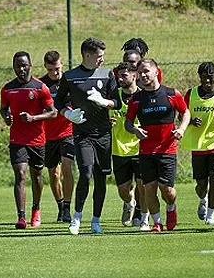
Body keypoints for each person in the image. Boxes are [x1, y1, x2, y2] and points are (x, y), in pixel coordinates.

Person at [55, 37, 121, 235]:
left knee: (101, 178)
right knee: (85, 173)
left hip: (103, 134)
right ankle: (76, 218)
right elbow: (58, 102)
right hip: (82, 134)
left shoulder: (107, 74)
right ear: (87, 55)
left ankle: (96, 220)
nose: (102, 59)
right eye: (99, 56)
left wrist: (104, 102)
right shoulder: (70, 76)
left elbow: (116, 102)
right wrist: (67, 114)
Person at [125, 58, 190, 233]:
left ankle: (171, 207)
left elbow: (185, 112)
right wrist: (135, 130)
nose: (143, 75)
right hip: (146, 150)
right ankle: (157, 222)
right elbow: (128, 123)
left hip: (167, 149)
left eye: (147, 71)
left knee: (167, 190)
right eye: (140, 72)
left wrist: (182, 129)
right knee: (149, 188)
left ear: (156, 71)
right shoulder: (136, 99)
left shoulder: (171, 94)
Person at [0, 51, 57, 229]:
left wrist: (33, 118)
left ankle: (36, 209)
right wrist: (6, 116)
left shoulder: (40, 88)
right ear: (14, 67)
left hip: (37, 139)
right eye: (18, 66)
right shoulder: (8, 88)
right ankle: (21, 217)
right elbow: (3, 108)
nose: (21, 69)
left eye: (24, 65)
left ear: (30, 65)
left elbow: (53, 112)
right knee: (20, 174)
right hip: (17, 139)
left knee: (37, 175)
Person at [180, 62, 214, 226]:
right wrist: (192, 120)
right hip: (198, 145)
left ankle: (211, 216)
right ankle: (203, 198)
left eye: (210, 78)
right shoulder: (191, 94)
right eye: (203, 78)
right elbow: (182, 115)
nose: (206, 81)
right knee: (201, 185)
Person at [110, 61, 149, 229]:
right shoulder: (113, 95)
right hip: (118, 148)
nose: (121, 78)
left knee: (143, 186)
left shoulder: (143, 96)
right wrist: (106, 120)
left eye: (124, 75)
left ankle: (143, 216)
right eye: (119, 75)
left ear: (135, 75)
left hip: (139, 148)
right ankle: (129, 203)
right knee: (124, 190)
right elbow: (102, 113)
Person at [39, 51, 75, 223]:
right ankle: (60, 206)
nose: (55, 72)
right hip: (47, 136)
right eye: (52, 69)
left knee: (67, 167)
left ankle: (67, 207)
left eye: (58, 68)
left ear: (63, 65)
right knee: (54, 174)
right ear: (45, 67)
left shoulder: (70, 81)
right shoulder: (40, 85)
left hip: (68, 133)